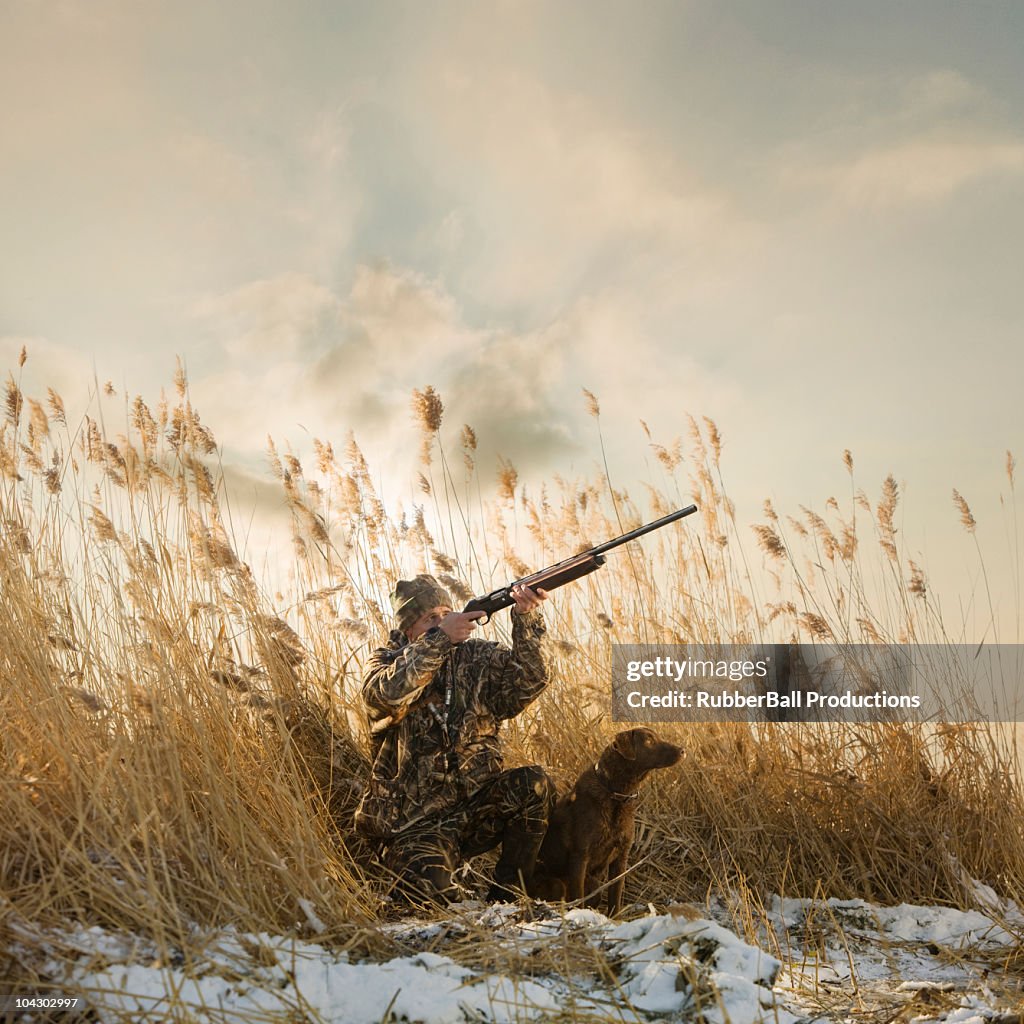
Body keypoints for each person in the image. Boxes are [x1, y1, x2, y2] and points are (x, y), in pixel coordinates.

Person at [354, 573, 555, 904]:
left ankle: (507, 899)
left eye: (446, 614)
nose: (441, 621)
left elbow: (530, 683)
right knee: (426, 894)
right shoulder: (387, 662)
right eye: (430, 618)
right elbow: (383, 695)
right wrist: (439, 640)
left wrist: (526, 619)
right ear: (408, 631)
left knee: (534, 786)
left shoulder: (475, 657)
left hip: (477, 807)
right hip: (417, 824)